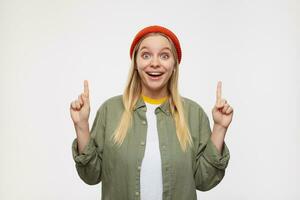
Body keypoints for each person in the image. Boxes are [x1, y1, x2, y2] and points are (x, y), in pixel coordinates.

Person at [70, 25, 233, 200]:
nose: (155, 63)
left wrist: (219, 128)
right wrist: (81, 127)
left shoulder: (193, 114)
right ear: (136, 64)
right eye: (146, 55)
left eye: (164, 55)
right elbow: (91, 175)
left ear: (174, 65)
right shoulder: (110, 110)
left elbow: (205, 181)